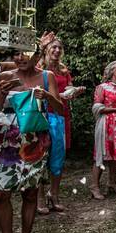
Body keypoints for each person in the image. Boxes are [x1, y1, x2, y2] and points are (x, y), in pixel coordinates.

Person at [0, 51, 62, 233]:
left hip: (34, 138)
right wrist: (0, 95)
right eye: (17, 54)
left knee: (30, 193)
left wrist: (47, 97)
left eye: (26, 53)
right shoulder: (5, 76)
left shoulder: (47, 76)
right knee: (0, 193)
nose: (21, 58)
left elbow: (59, 109)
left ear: (36, 54)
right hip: (6, 138)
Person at [38, 37, 85, 214]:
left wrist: (75, 92)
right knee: (42, 156)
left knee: (58, 157)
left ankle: (54, 194)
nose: (57, 50)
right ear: (46, 49)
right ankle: (40, 197)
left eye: (59, 47)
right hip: (42, 115)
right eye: (53, 47)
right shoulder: (39, 68)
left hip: (61, 116)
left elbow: (68, 91)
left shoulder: (64, 70)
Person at [90, 60, 116, 200]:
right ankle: (94, 186)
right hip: (106, 124)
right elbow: (96, 107)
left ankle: (112, 183)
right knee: (101, 156)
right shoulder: (103, 87)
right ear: (111, 70)